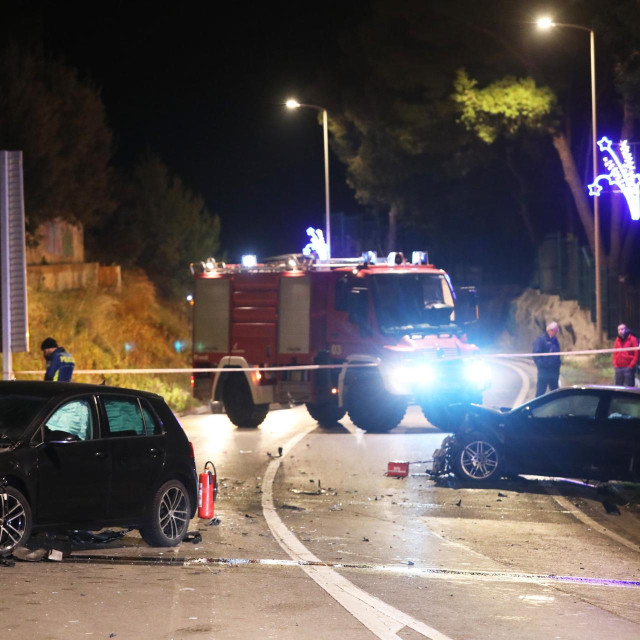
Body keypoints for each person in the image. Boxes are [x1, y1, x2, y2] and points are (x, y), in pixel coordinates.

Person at [533, 321, 561, 397]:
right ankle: (537, 408)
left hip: (553, 372)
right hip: (544, 372)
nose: (555, 333)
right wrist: (542, 366)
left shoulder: (555, 340)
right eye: (555, 331)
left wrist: (557, 366)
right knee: (540, 393)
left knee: (555, 393)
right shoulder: (541, 340)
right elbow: (536, 355)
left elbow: (557, 354)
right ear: (550, 330)